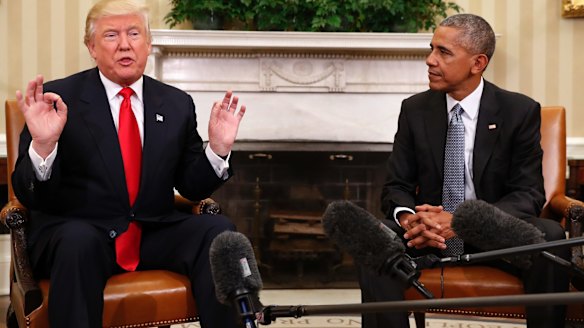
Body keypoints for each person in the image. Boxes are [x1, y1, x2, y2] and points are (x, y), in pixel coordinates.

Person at [12, 0, 246, 327]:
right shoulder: (56, 99)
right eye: (111, 35)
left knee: (219, 231)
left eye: (134, 33)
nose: (125, 44)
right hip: (81, 233)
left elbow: (191, 185)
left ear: (148, 44)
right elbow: (30, 194)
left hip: (152, 231)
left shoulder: (176, 103)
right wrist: (44, 144)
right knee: (78, 240)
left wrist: (217, 150)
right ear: (91, 47)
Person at [358, 13, 570, 328]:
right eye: (431, 49)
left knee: (550, 236)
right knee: (372, 238)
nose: (430, 60)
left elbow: (528, 193)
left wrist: (462, 221)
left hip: (492, 233)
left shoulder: (519, 111)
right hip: (429, 236)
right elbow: (397, 186)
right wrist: (410, 219)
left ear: (477, 63)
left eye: (443, 52)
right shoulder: (415, 110)